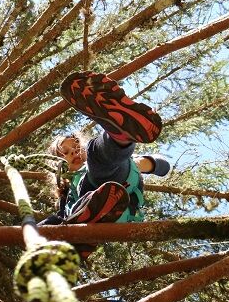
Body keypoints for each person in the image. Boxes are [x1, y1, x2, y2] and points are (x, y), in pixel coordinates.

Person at [39, 72, 171, 257]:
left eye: (76, 147)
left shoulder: (98, 161)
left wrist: (147, 163)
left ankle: (120, 135)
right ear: (59, 166)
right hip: (99, 211)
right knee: (68, 214)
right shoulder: (68, 193)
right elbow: (56, 223)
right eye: (66, 153)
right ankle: (119, 135)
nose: (74, 153)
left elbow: (163, 165)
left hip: (119, 184)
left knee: (98, 160)